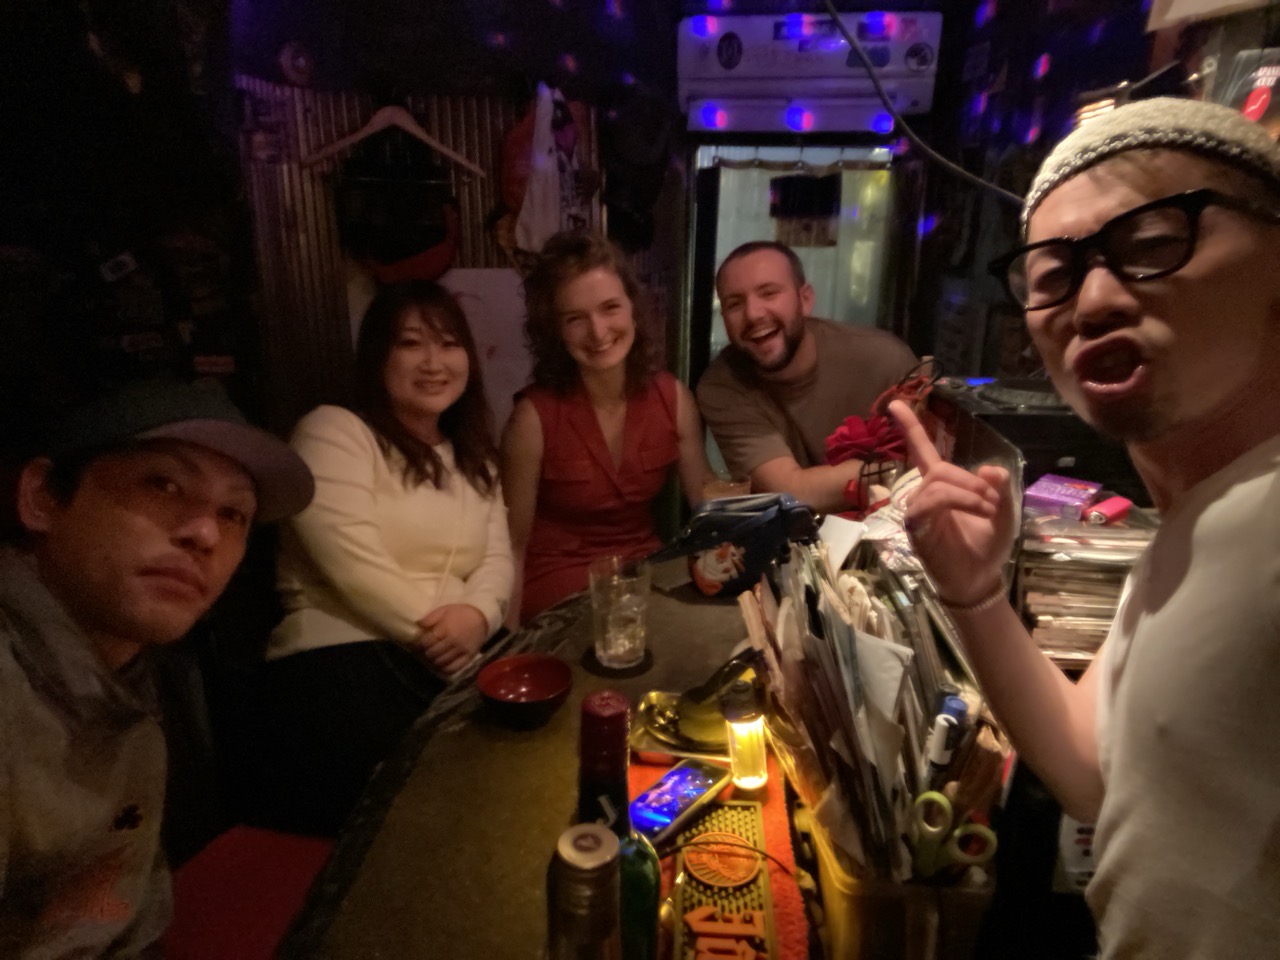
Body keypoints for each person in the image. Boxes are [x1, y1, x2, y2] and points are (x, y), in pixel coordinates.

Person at [890, 97, 1280, 959]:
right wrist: (974, 591)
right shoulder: (1196, 528)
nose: (1094, 299)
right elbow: (1091, 775)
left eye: (1151, 246)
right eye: (1054, 276)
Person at [0, 379, 313, 958]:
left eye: (234, 513)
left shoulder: (136, 671)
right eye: (163, 483)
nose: (204, 533)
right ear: (42, 497)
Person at [258, 281, 513, 834]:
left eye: (448, 344)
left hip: (454, 656)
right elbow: (351, 559)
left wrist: (480, 617)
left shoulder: (475, 458)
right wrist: (447, 639)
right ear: (378, 356)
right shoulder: (335, 431)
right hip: (343, 654)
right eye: (411, 344)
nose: (433, 362)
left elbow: (497, 561)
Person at [501, 231, 712, 625]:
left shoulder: (674, 398)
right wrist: (510, 647)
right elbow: (512, 545)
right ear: (554, 331)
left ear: (634, 308)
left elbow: (707, 505)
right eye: (575, 319)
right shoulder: (532, 417)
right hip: (557, 587)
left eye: (610, 308)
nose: (598, 333)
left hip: (643, 576)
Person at [696, 240, 918, 514]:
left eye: (769, 293)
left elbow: (928, 465)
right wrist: (895, 468)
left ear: (805, 300)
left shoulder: (885, 360)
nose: (753, 314)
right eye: (734, 304)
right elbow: (793, 492)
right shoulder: (722, 386)